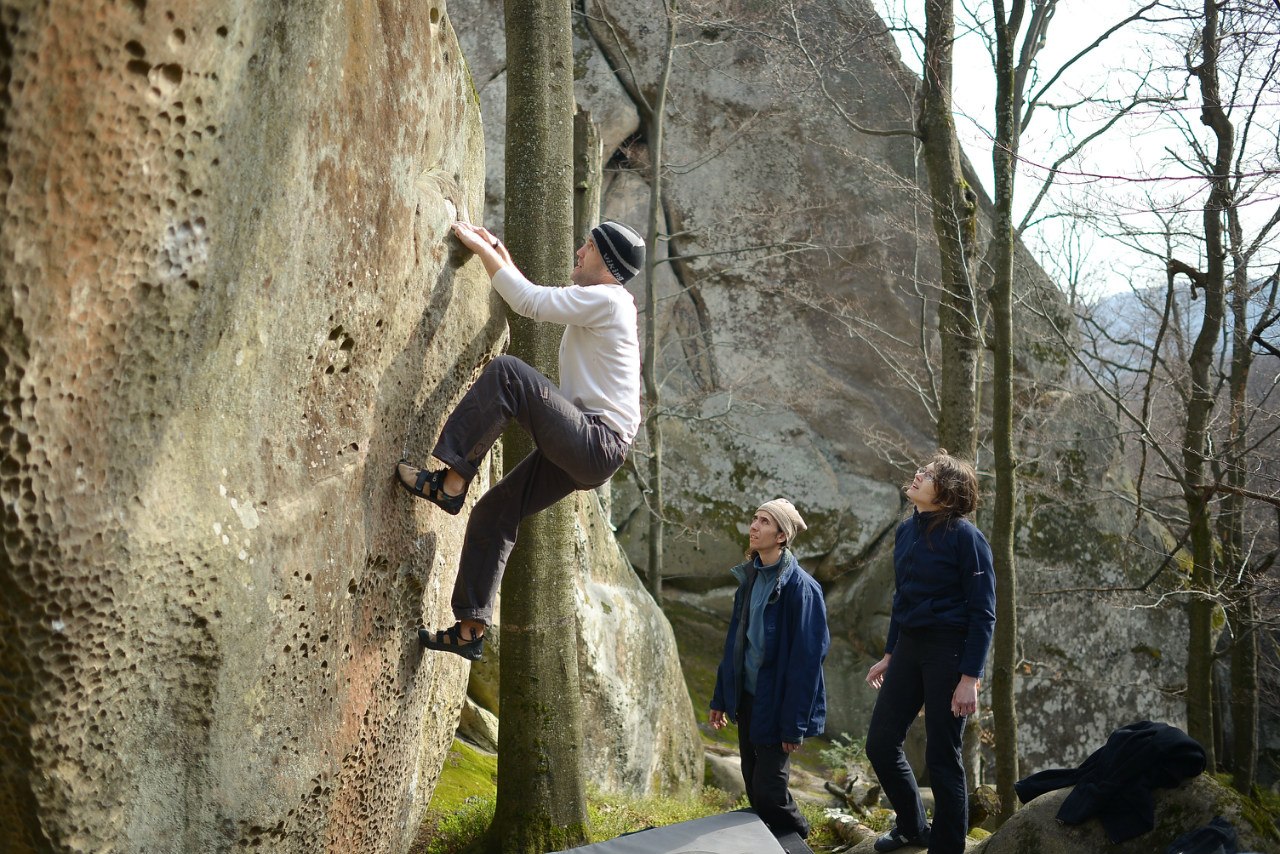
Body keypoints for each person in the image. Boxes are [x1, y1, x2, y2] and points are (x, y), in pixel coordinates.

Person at [395, 219, 644, 661]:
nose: (580, 252)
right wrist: (497, 251)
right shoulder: (605, 302)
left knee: (508, 373)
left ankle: (450, 482)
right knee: (496, 512)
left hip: (594, 440)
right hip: (592, 448)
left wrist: (479, 248)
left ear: (607, 264)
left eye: (588, 247)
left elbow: (528, 301)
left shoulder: (609, 303)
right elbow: (532, 290)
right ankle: (470, 629)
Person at [864, 451, 996, 853]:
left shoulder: (966, 537)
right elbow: (903, 598)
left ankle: (947, 847)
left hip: (949, 651)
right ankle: (911, 827)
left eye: (929, 474)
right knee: (881, 743)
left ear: (948, 491)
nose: (917, 475)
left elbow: (984, 612)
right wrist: (890, 654)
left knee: (942, 756)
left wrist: (970, 678)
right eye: (921, 471)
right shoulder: (906, 531)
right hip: (909, 647)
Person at [710, 499, 829, 841]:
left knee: (770, 787)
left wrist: (794, 726)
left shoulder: (802, 589)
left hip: (778, 703)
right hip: (749, 697)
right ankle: (770, 843)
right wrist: (721, 697)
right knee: (752, 778)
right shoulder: (749, 579)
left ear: (781, 536)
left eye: (764, 522)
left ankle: (799, 836)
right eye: (755, 518)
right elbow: (735, 644)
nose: (755, 526)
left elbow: (808, 663)